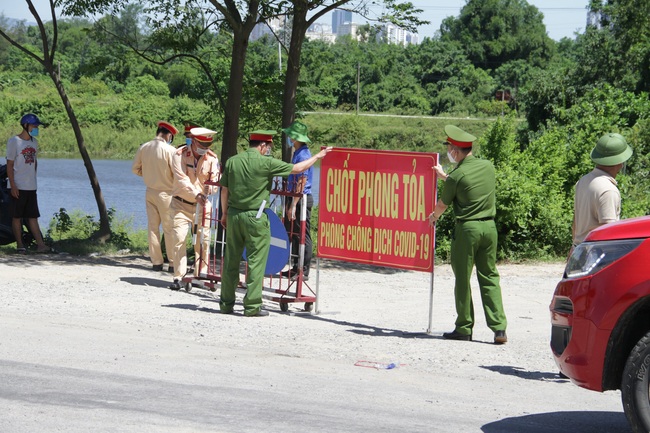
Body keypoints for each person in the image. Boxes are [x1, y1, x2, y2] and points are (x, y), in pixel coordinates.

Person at [219, 130, 332, 317]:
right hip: (256, 217)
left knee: (231, 260)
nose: (268, 151)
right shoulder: (266, 163)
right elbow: (297, 169)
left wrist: (224, 214)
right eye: (268, 147)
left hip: (234, 215)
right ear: (263, 146)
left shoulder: (232, 162)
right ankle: (252, 306)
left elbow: (224, 190)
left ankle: (226, 304)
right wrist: (319, 156)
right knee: (255, 262)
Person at [428, 125, 508, 344]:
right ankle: (499, 328)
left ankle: (464, 326)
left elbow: (443, 204)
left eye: (450, 148)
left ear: (455, 150)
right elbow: (467, 186)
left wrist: (433, 217)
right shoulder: (488, 167)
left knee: (463, 279)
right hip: (489, 229)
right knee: (489, 276)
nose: (449, 152)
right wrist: (445, 177)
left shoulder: (457, 176)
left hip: (468, 230)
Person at [169, 127, 219, 290]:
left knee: (203, 240)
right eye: (202, 145)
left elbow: (215, 183)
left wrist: (209, 189)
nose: (204, 149)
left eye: (207, 145)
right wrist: (197, 193)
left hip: (203, 205)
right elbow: (182, 179)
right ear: (194, 140)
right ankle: (179, 276)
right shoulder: (179, 155)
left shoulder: (212, 158)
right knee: (179, 238)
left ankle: (201, 275)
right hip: (180, 204)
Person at [132, 120, 178, 272]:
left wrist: (148, 175)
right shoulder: (170, 150)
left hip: (150, 191)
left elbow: (135, 169)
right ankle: (172, 263)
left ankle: (156, 262)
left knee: (153, 228)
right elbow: (177, 173)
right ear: (169, 134)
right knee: (169, 228)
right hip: (167, 193)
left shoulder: (144, 147)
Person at [572, 133, 633, 247]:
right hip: (595, 254)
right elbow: (609, 234)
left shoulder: (583, 181)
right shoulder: (608, 190)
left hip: (579, 250)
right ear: (620, 163)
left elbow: (575, 222)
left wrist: (573, 247)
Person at [6, 113, 51, 254]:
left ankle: (40, 245)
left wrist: (33, 179)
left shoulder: (34, 142)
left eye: (37, 126)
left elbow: (35, 162)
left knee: (33, 216)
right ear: (25, 125)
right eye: (34, 126)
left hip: (31, 186)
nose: (36, 128)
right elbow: (9, 165)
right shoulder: (14, 141)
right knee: (17, 217)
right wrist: (13, 185)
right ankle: (20, 246)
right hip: (17, 186)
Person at [282, 121, 314, 281]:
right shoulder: (298, 152)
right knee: (294, 234)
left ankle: (304, 270)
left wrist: (293, 204)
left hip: (301, 198)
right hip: (294, 196)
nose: (288, 137)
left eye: (290, 135)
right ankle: (295, 267)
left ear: (295, 138)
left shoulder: (303, 155)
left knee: (303, 234)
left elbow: (302, 180)